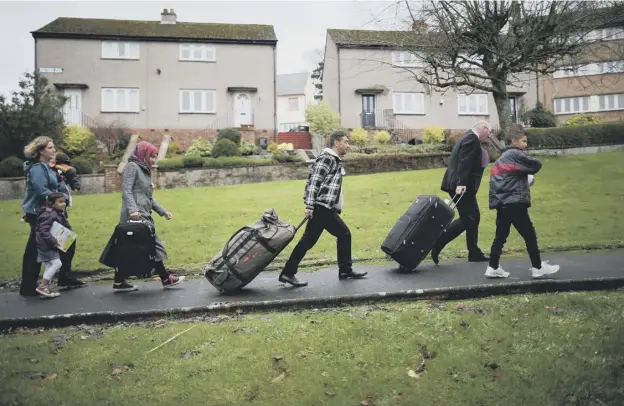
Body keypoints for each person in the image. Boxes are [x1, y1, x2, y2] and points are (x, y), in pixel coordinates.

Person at [278, 130, 367, 287]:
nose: (348, 145)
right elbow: (314, 182)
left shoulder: (334, 159)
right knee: (344, 234)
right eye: (346, 142)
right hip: (322, 207)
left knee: (308, 241)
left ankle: (288, 273)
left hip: (324, 207)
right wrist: (309, 205)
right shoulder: (326, 158)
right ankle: (345, 270)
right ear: (336, 143)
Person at [484, 128, 560, 279]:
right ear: (514, 142)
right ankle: (538, 267)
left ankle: (493, 266)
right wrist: (526, 175)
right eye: (524, 141)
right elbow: (536, 164)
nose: (526, 145)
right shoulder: (515, 154)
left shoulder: (501, 158)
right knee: (529, 235)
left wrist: (522, 175)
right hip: (514, 202)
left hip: (502, 203)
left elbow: (502, 180)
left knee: (500, 236)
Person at [114, 141, 184, 292]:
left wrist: (163, 211)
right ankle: (166, 278)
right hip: (135, 216)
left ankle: (119, 281)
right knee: (152, 244)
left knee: (128, 248)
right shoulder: (132, 167)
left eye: (155, 157)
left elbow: (149, 197)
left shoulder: (145, 170)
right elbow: (126, 191)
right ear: (143, 154)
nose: (153, 160)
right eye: (151, 156)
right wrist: (133, 210)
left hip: (143, 213)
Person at [20, 136, 84, 296]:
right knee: (35, 250)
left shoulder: (47, 167)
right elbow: (42, 191)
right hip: (39, 214)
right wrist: (59, 199)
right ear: (40, 151)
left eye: (53, 147)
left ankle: (63, 277)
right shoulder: (37, 169)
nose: (54, 150)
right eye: (50, 148)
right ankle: (28, 287)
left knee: (67, 242)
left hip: (48, 212)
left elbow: (56, 183)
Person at [430, 120, 492, 265]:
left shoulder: (467, 136)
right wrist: (462, 183)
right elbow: (465, 162)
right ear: (483, 128)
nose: (489, 135)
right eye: (489, 131)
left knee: (472, 217)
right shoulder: (472, 139)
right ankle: (439, 242)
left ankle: (473, 252)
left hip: (458, 185)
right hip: (460, 186)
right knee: (469, 217)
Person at [35, 193, 72, 298]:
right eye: (60, 202)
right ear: (52, 204)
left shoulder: (57, 212)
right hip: (46, 244)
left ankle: (45, 289)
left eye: (64, 201)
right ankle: (42, 286)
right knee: (57, 264)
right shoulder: (49, 214)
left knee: (49, 265)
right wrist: (54, 242)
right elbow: (43, 231)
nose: (63, 204)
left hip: (48, 243)